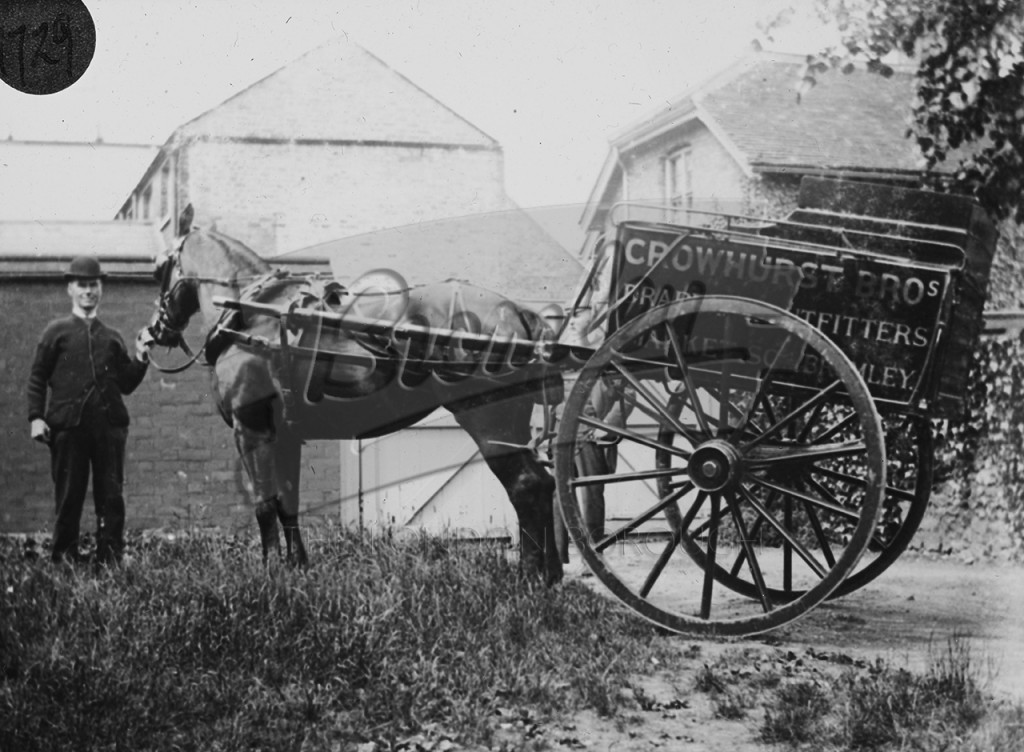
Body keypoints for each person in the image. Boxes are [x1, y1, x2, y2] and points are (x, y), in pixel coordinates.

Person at [27, 255, 151, 566]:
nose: (88, 291)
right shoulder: (55, 333)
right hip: (68, 429)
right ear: (70, 288)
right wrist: (36, 417)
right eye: (81, 285)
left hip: (109, 428)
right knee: (69, 497)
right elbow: (37, 378)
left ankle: (109, 560)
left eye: (93, 285)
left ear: (101, 289)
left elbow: (126, 383)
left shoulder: (111, 337)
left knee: (111, 498)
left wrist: (141, 357)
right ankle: (64, 561)